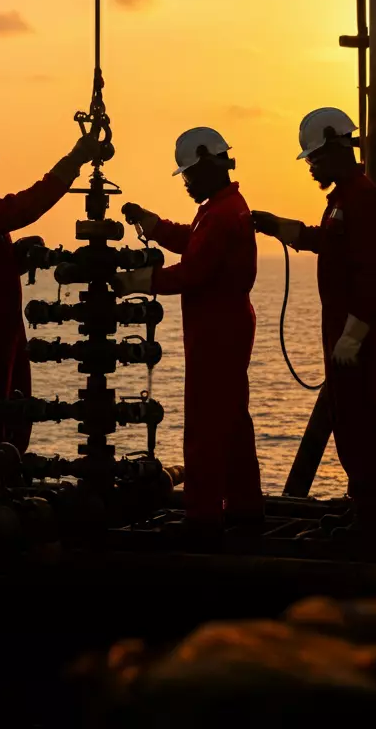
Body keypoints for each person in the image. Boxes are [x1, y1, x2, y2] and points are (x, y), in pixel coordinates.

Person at [253, 107, 376, 542]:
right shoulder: (343, 199)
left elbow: (374, 273)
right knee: (349, 418)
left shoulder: (361, 199)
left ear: (336, 147)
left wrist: (353, 336)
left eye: (315, 157)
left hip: (358, 334)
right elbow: (328, 244)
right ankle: (363, 508)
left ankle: (372, 521)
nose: (311, 166)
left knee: (360, 421)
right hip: (343, 329)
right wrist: (280, 228)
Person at [0, 128, 98, 506]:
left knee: (13, 412)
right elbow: (24, 207)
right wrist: (74, 160)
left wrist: (14, 259)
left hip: (1, 327)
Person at [115, 127, 262, 533]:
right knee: (232, 421)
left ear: (207, 163)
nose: (186, 183)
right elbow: (194, 243)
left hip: (216, 330)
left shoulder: (220, 214)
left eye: (190, 174)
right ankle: (245, 508)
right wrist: (154, 225)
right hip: (225, 324)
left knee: (205, 422)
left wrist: (138, 281)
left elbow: (193, 271)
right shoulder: (222, 207)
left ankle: (203, 517)